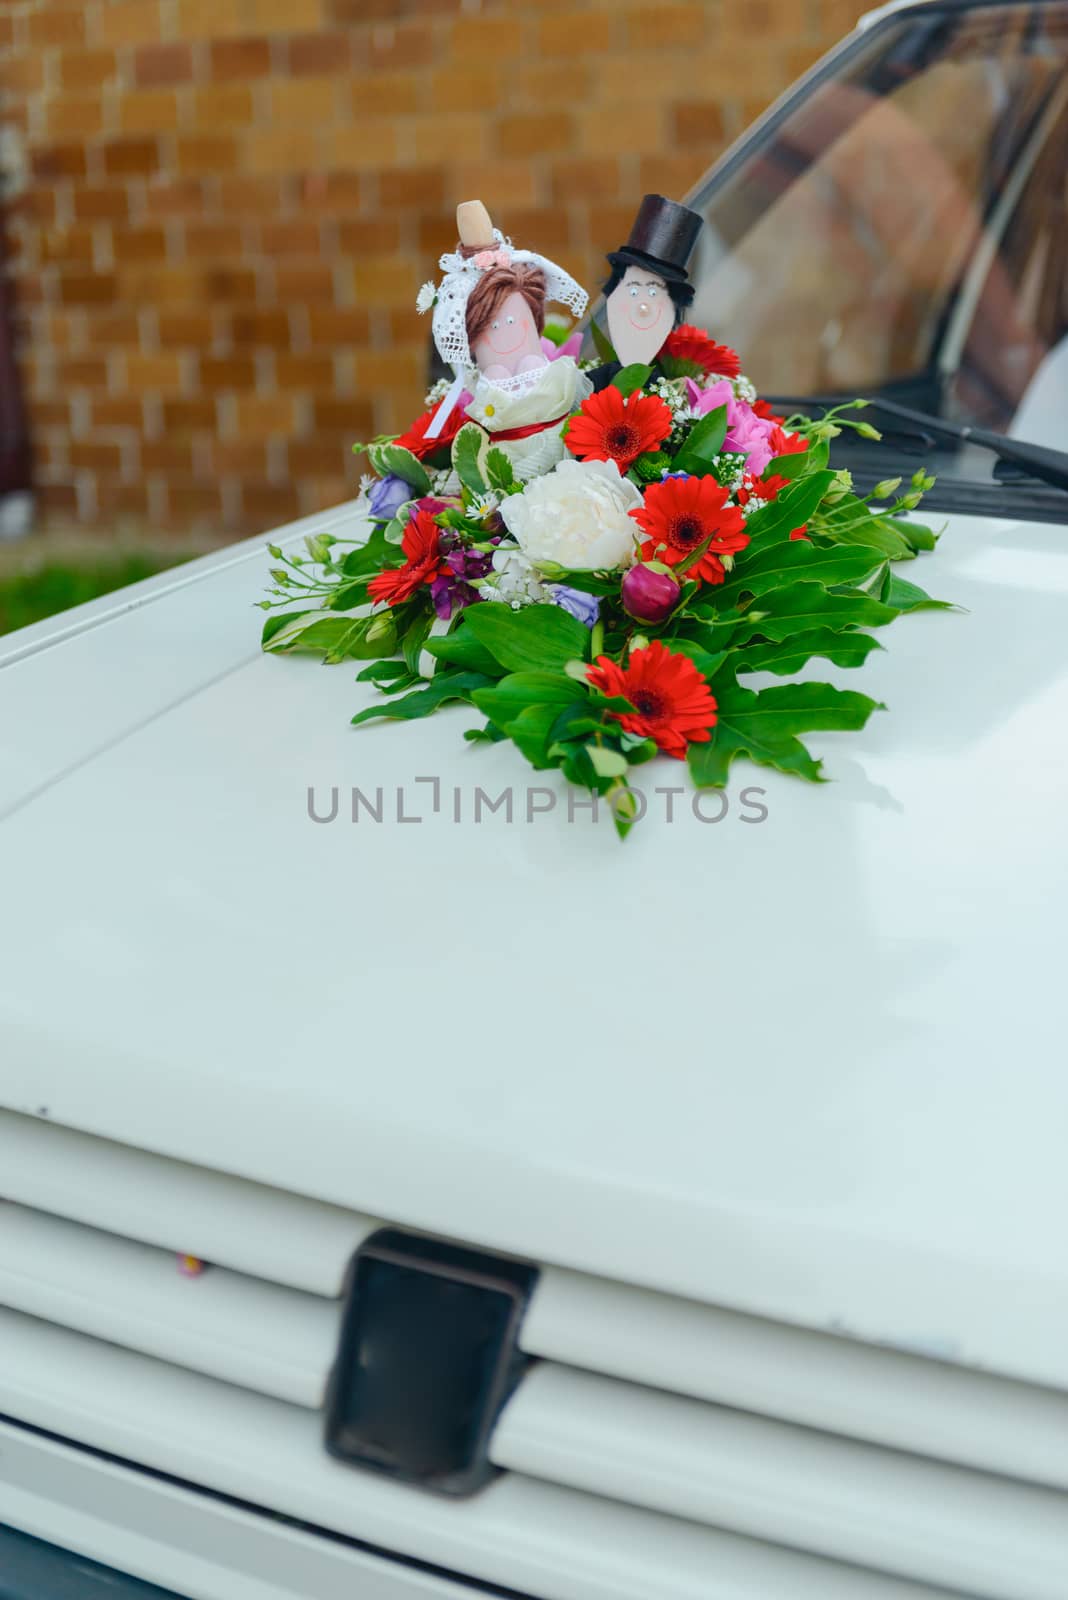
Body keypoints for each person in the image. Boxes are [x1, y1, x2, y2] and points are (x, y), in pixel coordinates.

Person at [590, 193, 704, 391]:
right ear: (613, 295)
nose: (643, 307)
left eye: (654, 293)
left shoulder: (671, 391)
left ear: (674, 309)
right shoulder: (591, 383)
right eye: (633, 290)